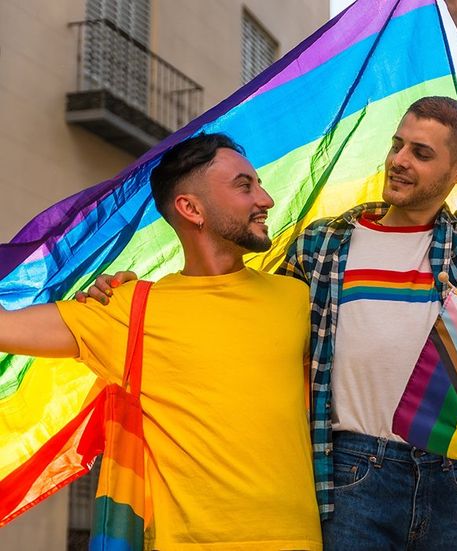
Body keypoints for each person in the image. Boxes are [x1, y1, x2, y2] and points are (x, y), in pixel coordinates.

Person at [275, 1, 457, 548]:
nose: (399, 160)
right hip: (351, 476)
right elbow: (257, 319)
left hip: (450, 479)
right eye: (398, 145)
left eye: (420, 153)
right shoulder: (323, 245)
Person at [0, 133, 321, 550]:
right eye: (245, 186)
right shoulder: (130, 308)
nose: (266, 200)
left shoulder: (298, 297)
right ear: (191, 208)